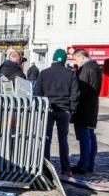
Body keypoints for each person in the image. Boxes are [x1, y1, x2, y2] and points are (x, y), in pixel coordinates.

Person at [34, 49, 79, 177]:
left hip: (48, 109)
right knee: (63, 140)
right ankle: (65, 168)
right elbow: (75, 95)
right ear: (64, 60)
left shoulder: (44, 73)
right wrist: (71, 110)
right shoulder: (70, 74)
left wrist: (40, 109)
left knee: (46, 139)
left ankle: (46, 168)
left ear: (53, 58)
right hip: (64, 110)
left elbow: (37, 93)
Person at [71, 48, 103, 174]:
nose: (76, 61)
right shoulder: (95, 67)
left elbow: (80, 89)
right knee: (90, 135)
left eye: (76, 59)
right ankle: (89, 164)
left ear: (82, 57)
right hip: (92, 107)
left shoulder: (86, 69)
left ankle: (82, 165)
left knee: (85, 137)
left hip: (84, 108)